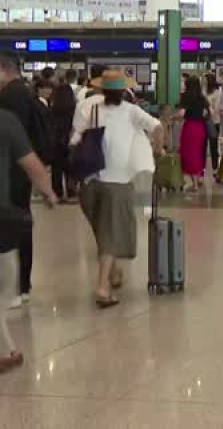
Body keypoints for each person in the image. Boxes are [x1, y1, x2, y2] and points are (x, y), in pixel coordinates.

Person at [70, 70, 163, 308]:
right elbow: (157, 127)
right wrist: (157, 149)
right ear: (123, 91)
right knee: (111, 233)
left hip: (89, 183)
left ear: (102, 90)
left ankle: (114, 271)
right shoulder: (131, 111)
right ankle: (102, 287)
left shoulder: (88, 108)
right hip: (117, 182)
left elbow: (73, 140)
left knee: (103, 229)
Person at [0, 107, 57, 371]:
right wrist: (48, 192)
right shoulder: (6, 120)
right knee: (3, 281)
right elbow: (32, 164)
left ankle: (6, 348)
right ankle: (4, 350)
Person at [0, 54, 48, 309]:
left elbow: (15, 141)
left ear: (4, 70)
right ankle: (23, 285)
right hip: (21, 171)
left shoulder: (9, 98)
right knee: (20, 222)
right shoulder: (27, 93)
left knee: (10, 227)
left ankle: (15, 288)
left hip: (12, 170)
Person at [176, 76, 210, 193]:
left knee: (188, 154)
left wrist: (171, 117)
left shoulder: (186, 97)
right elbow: (207, 113)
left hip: (190, 127)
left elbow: (181, 113)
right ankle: (199, 178)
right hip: (200, 128)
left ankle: (194, 183)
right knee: (198, 153)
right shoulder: (202, 98)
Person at [49, 69, 78, 203]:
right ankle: (71, 192)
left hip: (55, 142)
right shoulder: (73, 111)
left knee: (56, 168)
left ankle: (57, 192)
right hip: (69, 141)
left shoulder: (52, 111)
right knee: (70, 167)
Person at [203, 73, 222, 173]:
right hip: (203, 121)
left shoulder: (217, 92)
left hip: (214, 121)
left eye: (205, 79)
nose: (203, 81)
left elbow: (217, 107)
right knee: (203, 144)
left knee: (213, 144)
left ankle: (215, 168)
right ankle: (202, 167)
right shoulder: (202, 91)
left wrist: (209, 111)